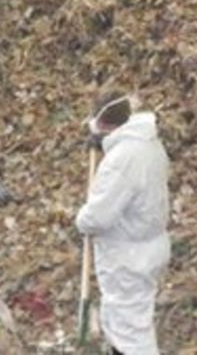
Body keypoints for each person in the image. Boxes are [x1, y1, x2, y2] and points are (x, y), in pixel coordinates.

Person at [76, 92, 171, 355]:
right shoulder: (148, 143)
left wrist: (81, 221)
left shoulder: (123, 160)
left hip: (129, 255)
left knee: (131, 334)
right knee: (127, 322)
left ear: (105, 125)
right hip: (147, 244)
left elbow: (98, 216)